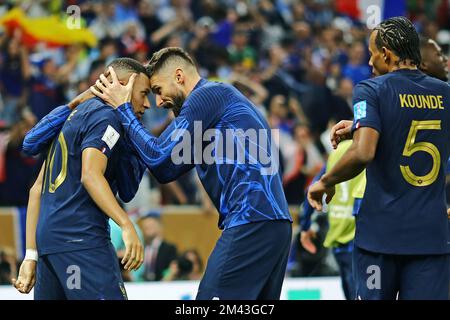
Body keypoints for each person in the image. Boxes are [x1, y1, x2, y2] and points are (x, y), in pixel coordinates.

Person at [90, 47, 293, 300]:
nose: (159, 102)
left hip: (251, 220)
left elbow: (158, 156)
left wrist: (124, 109)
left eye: (158, 91)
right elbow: (165, 170)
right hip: (272, 224)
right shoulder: (214, 112)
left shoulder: (207, 96)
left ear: (179, 76)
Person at [308, 17, 450, 300]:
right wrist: (361, 125)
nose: (371, 63)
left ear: (386, 53)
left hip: (380, 239)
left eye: (372, 53)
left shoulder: (371, 89)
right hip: (431, 239)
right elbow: (406, 123)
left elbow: (363, 152)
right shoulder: (446, 94)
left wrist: (326, 180)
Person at [12, 57, 149, 299]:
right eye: (144, 93)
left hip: (49, 248)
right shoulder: (108, 117)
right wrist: (126, 225)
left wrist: (31, 254)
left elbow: (36, 189)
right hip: (82, 241)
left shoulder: (70, 118)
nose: (147, 103)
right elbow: (90, 175)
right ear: (123, 85)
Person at [301, 140, 363, 300]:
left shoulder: (336, 153)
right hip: (359, 239)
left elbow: (314, 187)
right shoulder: (366, 149)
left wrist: (305, 226)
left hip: (338, 237)